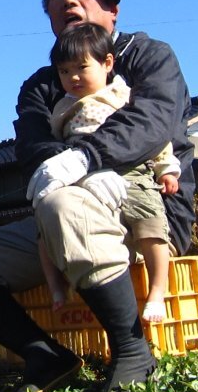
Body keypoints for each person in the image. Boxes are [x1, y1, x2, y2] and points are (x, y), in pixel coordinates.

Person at [0, 0, 195, 392]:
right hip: (62, 219)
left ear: (113, 10)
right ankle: (46, 356)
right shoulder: (42, 85)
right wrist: (71, 173)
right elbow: (32, 149)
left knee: (62, 203)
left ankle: (131, 352)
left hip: (148, 213)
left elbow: (153, 122)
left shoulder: (148, 56)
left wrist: (89, 158)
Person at [38, 22, 181, 323]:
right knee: (45, 231)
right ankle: (56, 289)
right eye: (64, 71)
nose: (73, 77)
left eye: (81, 67)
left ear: (107, 63)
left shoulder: (121, 95)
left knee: (151, 222)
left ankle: (157, 290)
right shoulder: (62, 107)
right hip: (81, 180)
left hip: (131, 172)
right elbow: (52, 144)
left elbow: (154, 138)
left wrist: (167, 169)